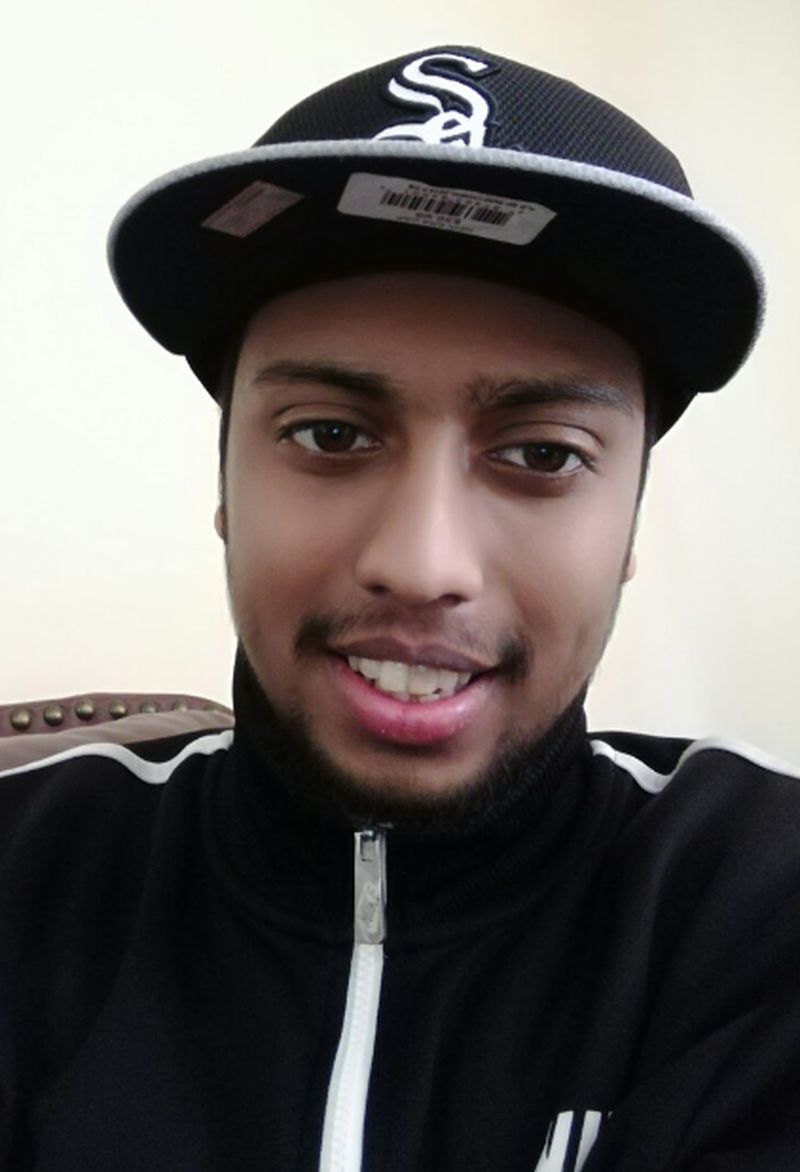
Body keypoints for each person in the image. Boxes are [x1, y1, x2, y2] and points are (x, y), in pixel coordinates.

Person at [1, 44, 798, 1172]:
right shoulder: (25, 874)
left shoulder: (759, 908)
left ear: (628, 525)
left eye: (541, 453)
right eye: (330, 434)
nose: (422, 564)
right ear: (224, 486)